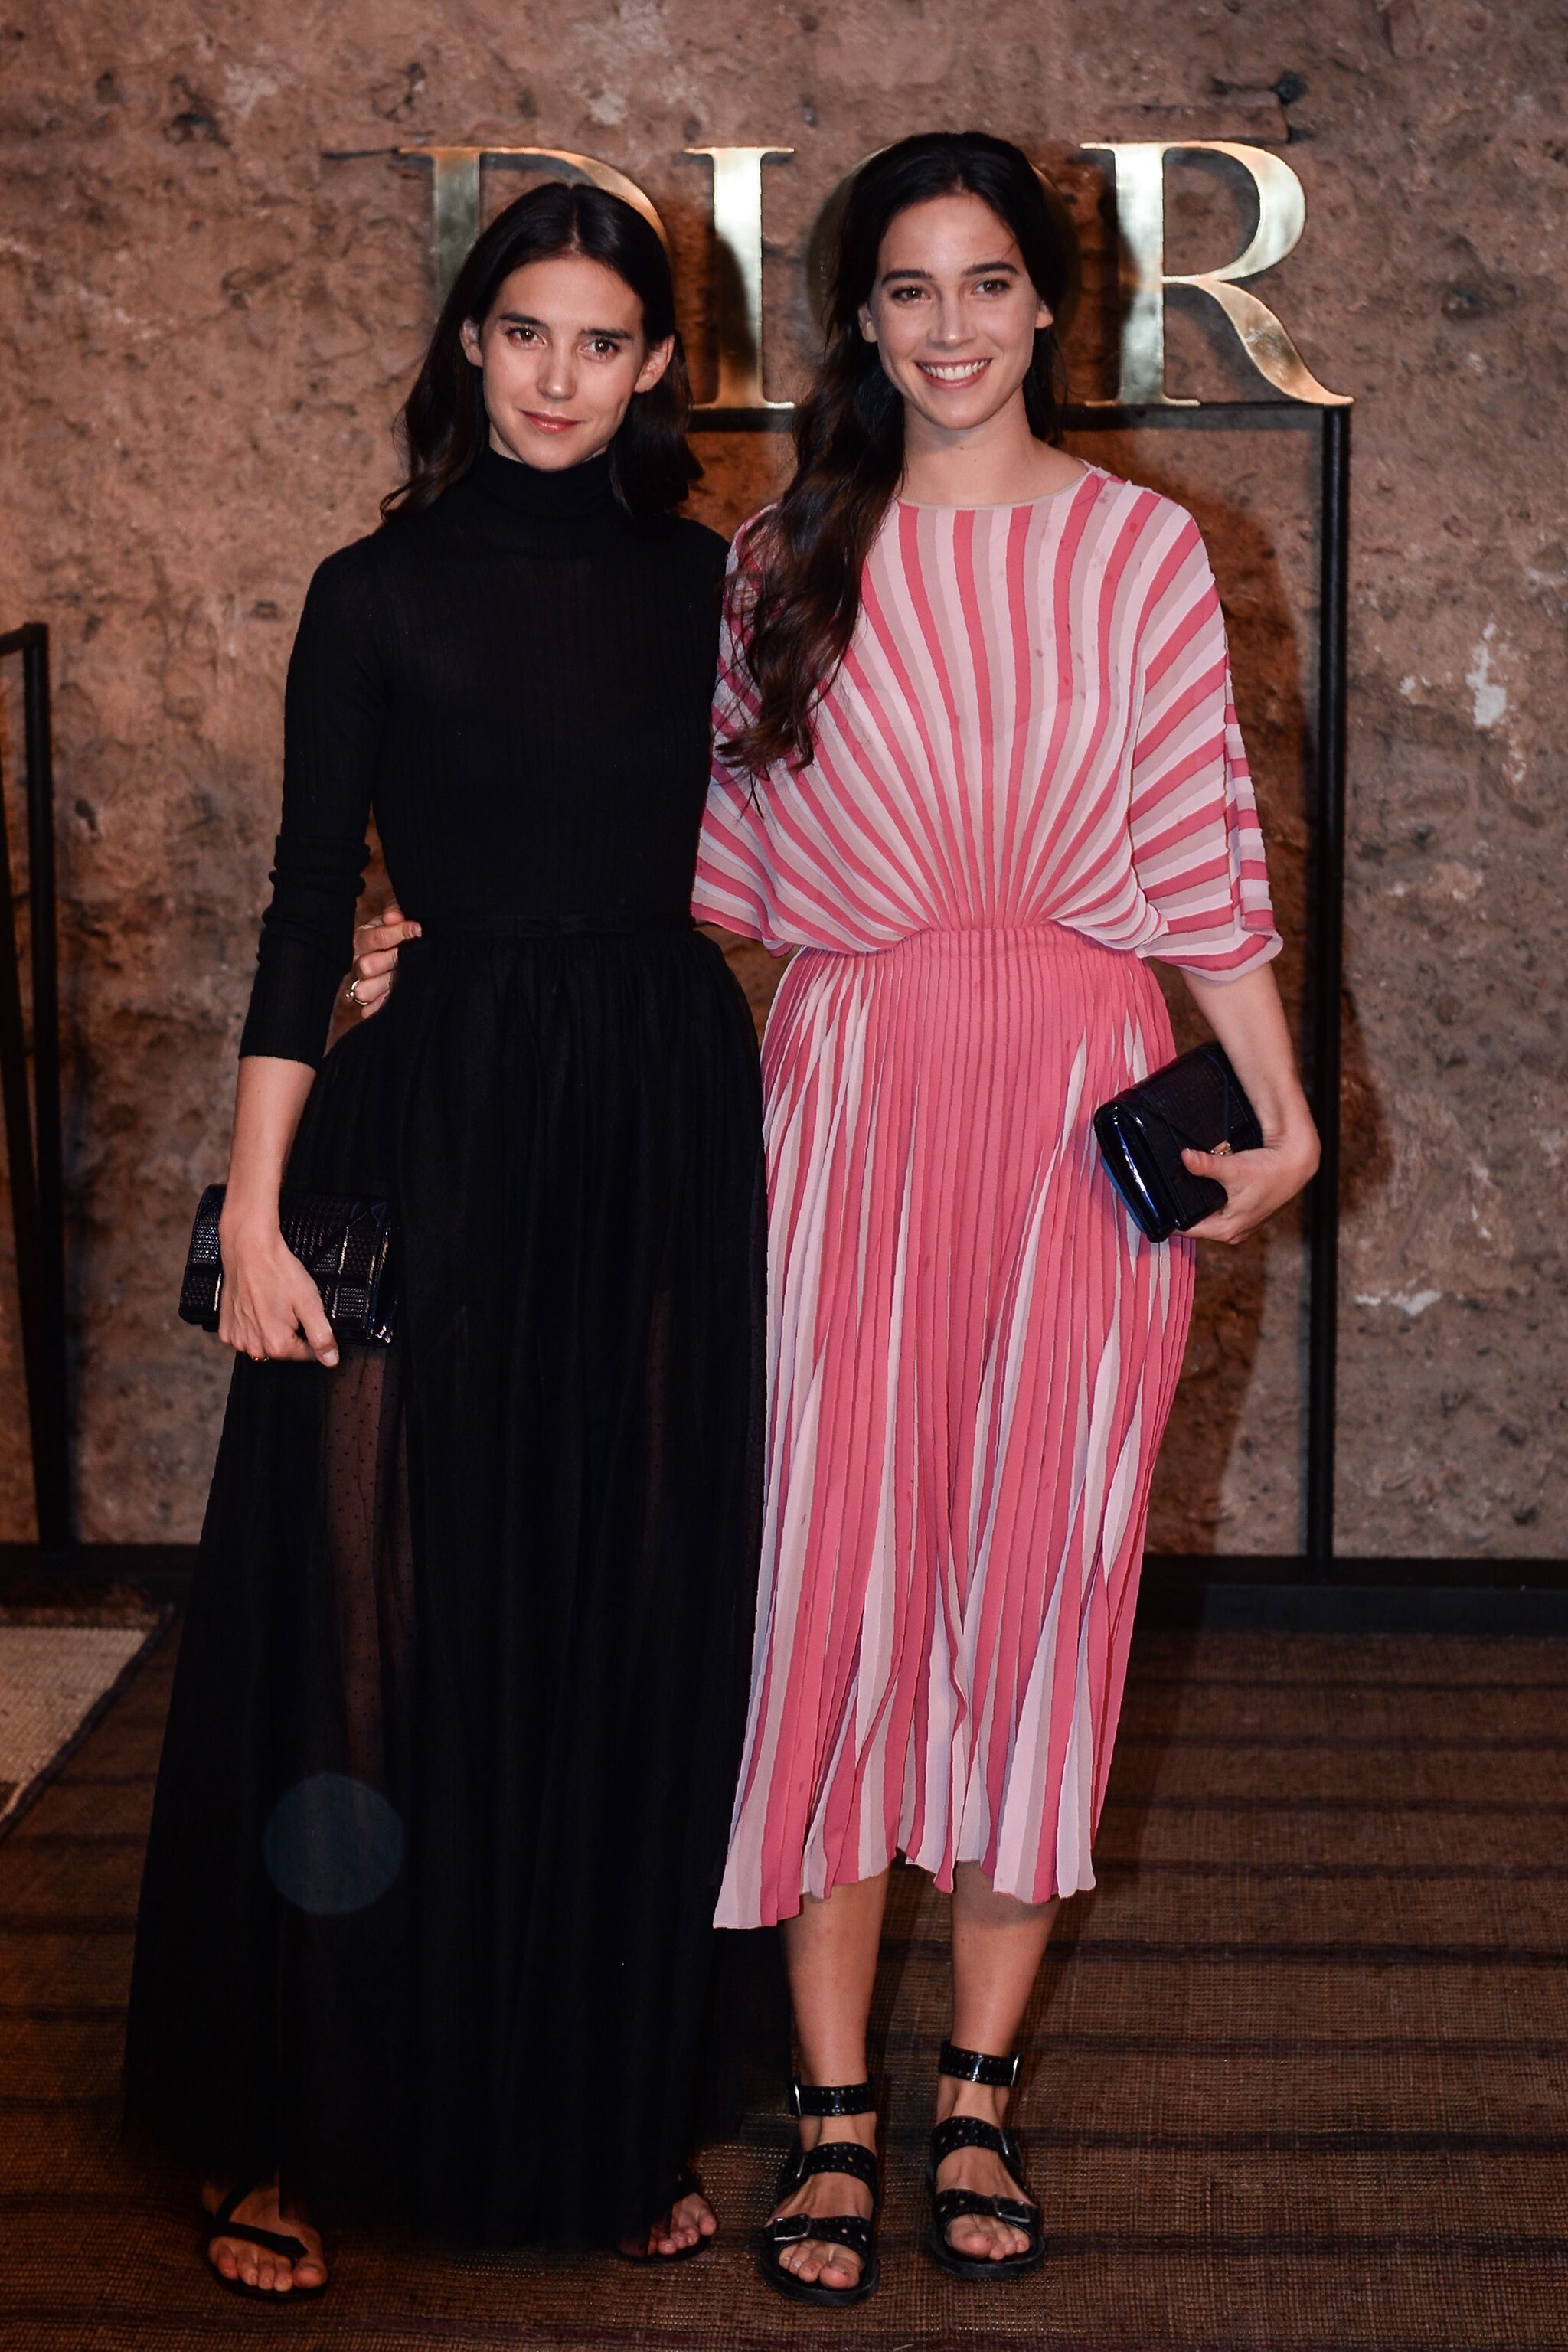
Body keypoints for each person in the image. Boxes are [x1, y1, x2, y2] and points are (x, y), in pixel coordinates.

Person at [691, 131, 1321, 2302]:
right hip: (850, 1093)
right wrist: (433, 941)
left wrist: (1282, 1105)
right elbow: (684, 858)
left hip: (1073, 1088)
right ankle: (834, 2112)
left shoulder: (1146, 551)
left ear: (1050, 302)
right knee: (835, 1584)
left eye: (984, 285)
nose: (948, 328)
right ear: (860, 320)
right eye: (907, 290)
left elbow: (1201, 852)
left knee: (1045, 1576)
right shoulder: (783, 553)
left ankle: (975, 2085)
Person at [125, 181, 765, 2294]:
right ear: (470, 343)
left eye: (603, 340)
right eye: (525, 331)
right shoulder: (373, 589)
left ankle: (597, 2105)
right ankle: (289, 2120)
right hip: (437, 1106)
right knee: (366, 1612)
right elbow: (307, 899)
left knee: (619, 1606)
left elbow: (819, 835)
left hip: (657, 1114)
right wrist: (257, 1213)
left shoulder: (713, 585)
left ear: (655, 366)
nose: (560, 375)